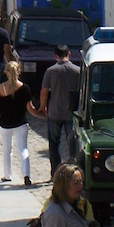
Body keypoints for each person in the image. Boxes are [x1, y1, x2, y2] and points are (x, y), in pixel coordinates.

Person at [0, 59, 37, 184]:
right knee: (23, 149)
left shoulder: (1, 88)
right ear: (19, 71)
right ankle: (26, 175)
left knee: (7, 149)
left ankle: (7, 175)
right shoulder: (25, 88)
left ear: (6, 72)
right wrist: (40, 114)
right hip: (21, 123)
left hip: (5, 123)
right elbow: (30, 108)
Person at [39, 45, 81, 178]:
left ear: (55, 55)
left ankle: (55, 173)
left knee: (54, 143)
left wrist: (42, 106)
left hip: (54, 112)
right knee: (73, 145)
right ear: (69, 54)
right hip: (71, 112)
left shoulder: (50, 71)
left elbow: (44, 92)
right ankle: (74, 172)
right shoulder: (77, 71)